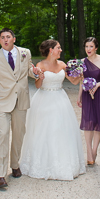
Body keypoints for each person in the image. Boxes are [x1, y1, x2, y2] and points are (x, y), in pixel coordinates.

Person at [20, 40, 86, 180]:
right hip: (44, 99)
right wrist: (41, 78)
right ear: (51, 50)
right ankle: (42, 164)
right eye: (58, 48)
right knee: (43, 131)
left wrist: (80, 76)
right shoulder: (40, 65)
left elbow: (73, 81)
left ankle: (63, 163)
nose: (60, 50)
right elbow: (38, 85)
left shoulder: (62, 64)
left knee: (61, 130)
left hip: (60, 99)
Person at [0, 28, 40, 189]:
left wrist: (34, 72)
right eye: (2, 37)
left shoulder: (25, 52)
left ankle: (15, 164)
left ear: (14, 39)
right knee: (2, 134)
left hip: (20, 100)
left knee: (19, 134)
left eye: (8, 37)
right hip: (2, 101)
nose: (5, 39)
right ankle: (0, 175)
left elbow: (29, 69)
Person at [78, 37, 100, 166]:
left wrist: (97, 85)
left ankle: (94, 150)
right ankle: (89, 152)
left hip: (99, 93)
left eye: (91, 46)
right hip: (86, 95)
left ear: (96, 47)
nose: (88, 49)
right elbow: (81, 80)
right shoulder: (82, 62)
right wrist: (79, 97)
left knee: (98, 123)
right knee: (88, 122)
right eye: (86, 46)